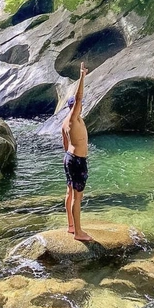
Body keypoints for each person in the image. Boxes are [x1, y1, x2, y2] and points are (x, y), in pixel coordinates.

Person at [62, 61, 93, 241]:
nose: (80, 106)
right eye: (77, 106)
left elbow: (65, 143)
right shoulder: (73, 119)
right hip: (77, 160)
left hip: (69, 158)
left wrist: (68, 159)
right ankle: (78, 232)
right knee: (77, 197)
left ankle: (71, 225)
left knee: (69, 193)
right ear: (73, 107)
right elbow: (79, 97)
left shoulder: (66, 122)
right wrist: (82, 76)